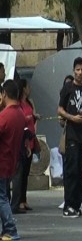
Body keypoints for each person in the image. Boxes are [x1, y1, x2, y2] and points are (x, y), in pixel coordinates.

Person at [57, 57, 82, 218]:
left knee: (80, 171)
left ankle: (77, 205)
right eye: (77, 70)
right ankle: (68, 206)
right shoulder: (68, 88)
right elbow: (59, 109)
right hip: (71, 134)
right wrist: (71, 118)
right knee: (71, 171)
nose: (80, 72)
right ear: (74, 70)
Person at [0, 80, 26, 241]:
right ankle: (7, 228)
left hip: (2, 161)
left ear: (4, 94)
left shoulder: (5, 115)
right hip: (11, 161)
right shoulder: (20, 114)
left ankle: (10, 227)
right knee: (4, 196)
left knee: (1, 197)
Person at [11, 79, 38, 214]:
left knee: (26, 171)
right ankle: (18, 201)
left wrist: (33, 117)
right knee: (19, 173)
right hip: (23, 140)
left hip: (31, 138)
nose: (30, 89)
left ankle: (23, 199)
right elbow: (21, 118)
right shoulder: (18, 104)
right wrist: (29, 118)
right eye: (28, 87)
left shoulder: (29, 102)